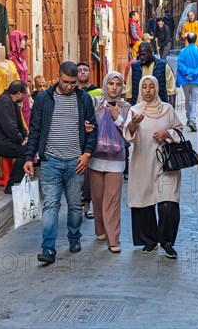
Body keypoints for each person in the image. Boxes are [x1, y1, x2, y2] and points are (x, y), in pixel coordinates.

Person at [24, 61, 98, 265]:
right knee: (50, 205)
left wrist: (86, 155)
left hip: (76, 163)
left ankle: (74, 237)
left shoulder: (83, 99)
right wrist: (30, 157)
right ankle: (48, 248)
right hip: (51, 162)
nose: (69, 86)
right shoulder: (44, 99)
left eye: (73, 83)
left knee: (75, 206)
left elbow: (94, 129)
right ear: (58, 77)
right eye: (65, 82)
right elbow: (35, 129)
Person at [124, 76, 183, 258]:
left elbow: (180, 131)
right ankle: (149, 241)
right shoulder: (135, 110)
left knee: (168, 204)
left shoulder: (167, 109)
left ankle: (166, 242)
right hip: (143, 163)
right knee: (145, 201)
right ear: (140, 90)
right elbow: (128, 136)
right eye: (144, 87)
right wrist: (134, 124)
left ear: (157, 88)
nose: (148, 91)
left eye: (151, 87)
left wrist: (168, 133)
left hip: (167, 165)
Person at [88, 72, 131, 253]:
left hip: (116, 160)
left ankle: (114, 239)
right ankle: (100, 229)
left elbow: (130, 133)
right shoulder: (95, 103)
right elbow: (87, 122)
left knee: (112, 201)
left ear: (122, 87)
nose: (114, 87)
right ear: (105, 85)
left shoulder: (126, 107)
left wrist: (116, 116)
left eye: (118, 84)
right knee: (97, 199)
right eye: (111, 83)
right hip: (95, 158)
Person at [0, 80, 28, 195]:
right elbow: (9, 127)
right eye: (25, 94)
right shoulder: (4, 101)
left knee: (29, 148)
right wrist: (20, 141)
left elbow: (19, 125)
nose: (25, 97)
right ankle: (12, 186)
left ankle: (17, 183)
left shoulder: (12, 102)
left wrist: (26, 137)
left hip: (6, 140)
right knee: (25, 151)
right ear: (19, 94)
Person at [77, 62, 100, 219]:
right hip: (74, 137)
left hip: (90, 136)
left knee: (87, 174)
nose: (83, 72)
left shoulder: (97, 91)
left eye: (85, 70)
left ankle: (86, 205)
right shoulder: (72, 91)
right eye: (79, 70)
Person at [125, 42, 177, 107]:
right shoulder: (134, 67)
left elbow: (172, 91)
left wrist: (171, 112)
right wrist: (130, 111)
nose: (141, 57)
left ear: (151, 52)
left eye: (144, 55)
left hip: (158, 109)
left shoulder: (163, 66)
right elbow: (128, 93)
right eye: (140, 55)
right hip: (138, 109)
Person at [175, 32, 198, 132]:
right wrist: (193, 74)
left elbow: (180, 64)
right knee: (195, 101)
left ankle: (189, 118)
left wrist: (188, 73)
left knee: (187, 100)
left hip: (185, 80)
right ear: (196, 39)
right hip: (197, 80)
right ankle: (192, 120)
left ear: (187, 40)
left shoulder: (183, 51)